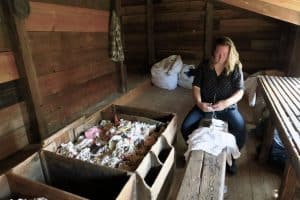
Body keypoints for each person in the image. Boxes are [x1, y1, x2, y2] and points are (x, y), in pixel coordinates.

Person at [181, 36, 246, 174]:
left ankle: (231, 159)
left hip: (227, 107)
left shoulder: (235, 67)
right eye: (218, 53)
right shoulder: (205, 65)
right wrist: (199, 103)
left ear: (230, 53)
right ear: (213, 51)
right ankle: (194, 150)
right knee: (185, 126)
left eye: (225, 54)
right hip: (205, 105)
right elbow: (196, 86)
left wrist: (226, 103)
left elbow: (240, 91)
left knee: (240, 129)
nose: (221, 57)